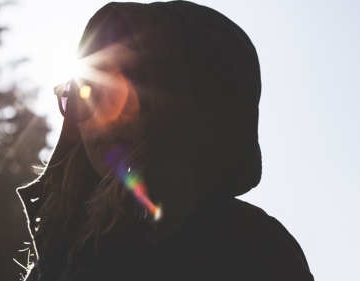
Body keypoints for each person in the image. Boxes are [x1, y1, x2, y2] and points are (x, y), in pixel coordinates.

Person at [17, 1, 315, 280]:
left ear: (196, 103)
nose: (102, 115)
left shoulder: (251, 251)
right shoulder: (59, 260)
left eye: (128, 88)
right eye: (83, 92)